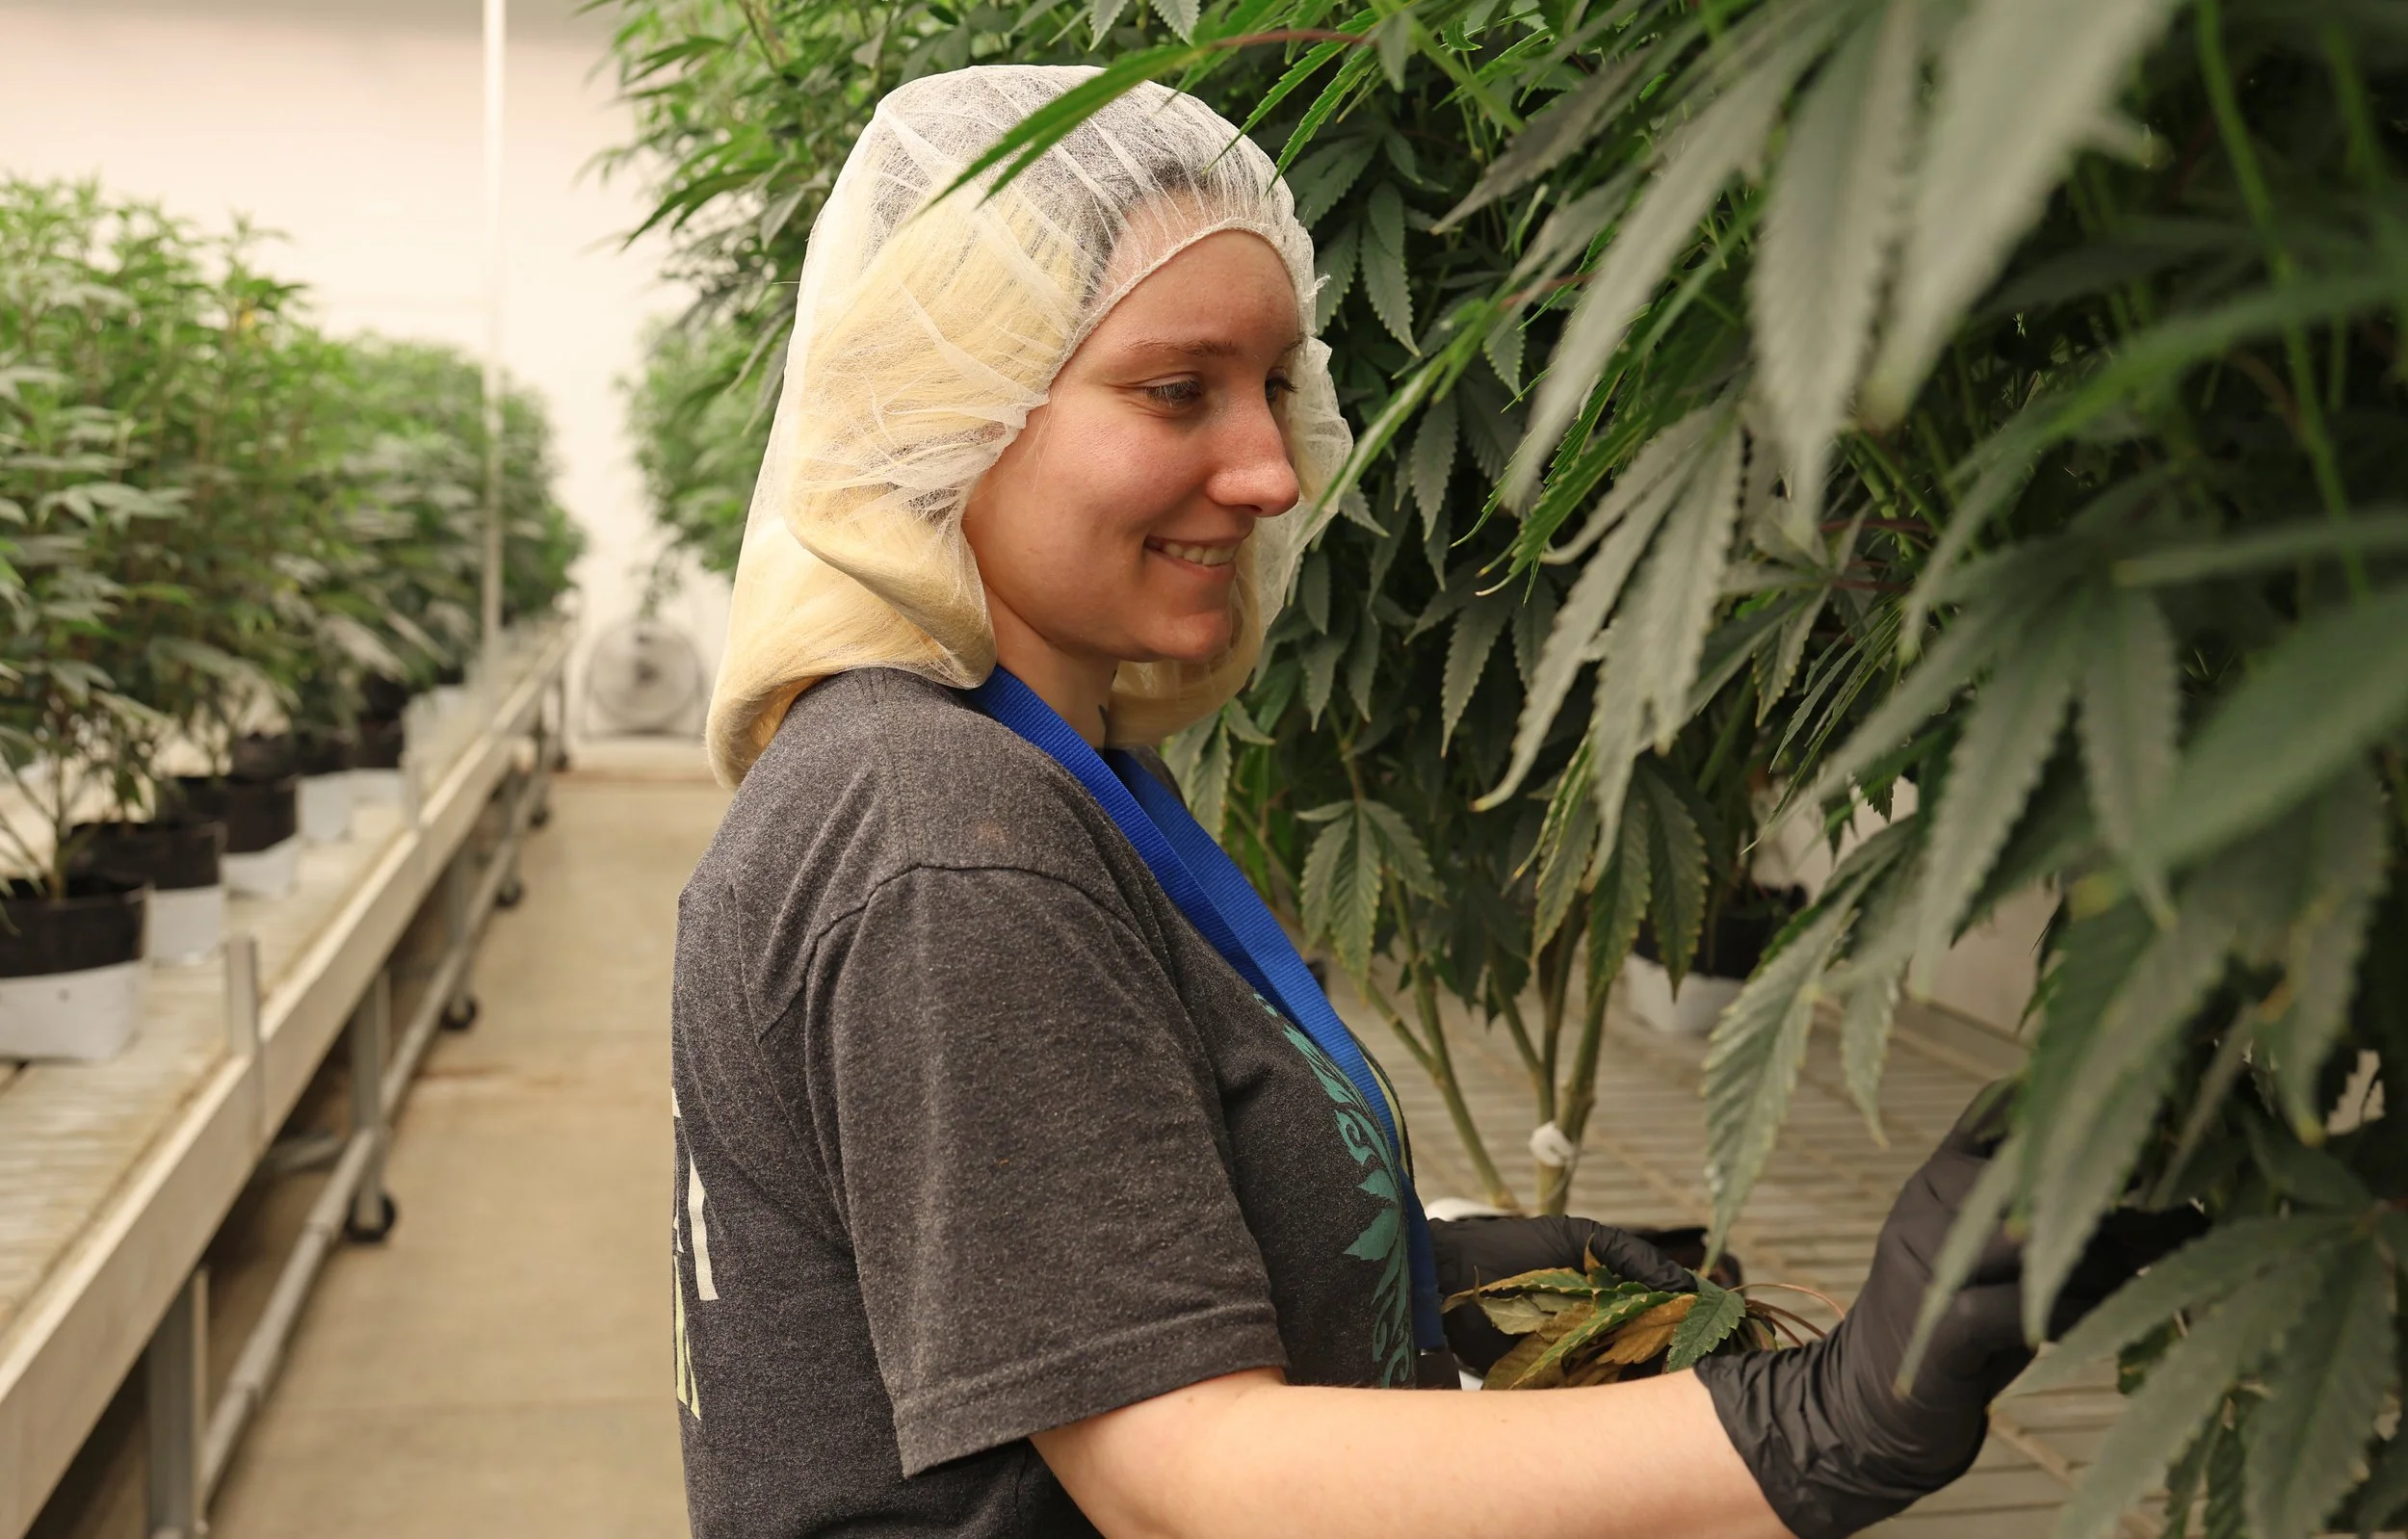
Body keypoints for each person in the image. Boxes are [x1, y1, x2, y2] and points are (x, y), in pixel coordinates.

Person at [671, 65, 2132, 1539]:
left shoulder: (1047, 765)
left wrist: (1432, 1270)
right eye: (1177, 390)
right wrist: (1816, 1423)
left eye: (1277, 388)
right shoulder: (948, 835)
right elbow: (1191, 1477)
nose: (1268, 471)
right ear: (952, 409)